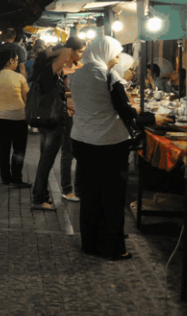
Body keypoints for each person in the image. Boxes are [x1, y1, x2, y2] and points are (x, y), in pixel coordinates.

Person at [71, 36, 166, 260]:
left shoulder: (78, 75)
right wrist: (154, 118)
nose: (116, 60)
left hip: (82, 141)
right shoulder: (107, 75)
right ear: (104, 54)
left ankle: (89, 243)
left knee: (91, 194)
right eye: (114, 55)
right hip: (108, 144)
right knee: (112, 197)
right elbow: (127, 114)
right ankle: (111, 248)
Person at [30, 37, 86, 211]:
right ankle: (40, 197)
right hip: (54, 120)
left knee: (45, 160)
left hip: (48, 120)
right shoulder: (53, 72)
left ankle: (42, 195)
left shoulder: (47, 70)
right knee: (47, 159)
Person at [0, 48, 30, 187]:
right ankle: (16, 178)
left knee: (3, 148)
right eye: (16, 60)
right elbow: (27, 98)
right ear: (10, 61)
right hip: (18, 116)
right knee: (19, 149)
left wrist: (1, 103)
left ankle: (5, 177)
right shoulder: (19, 77)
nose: (17, 63)